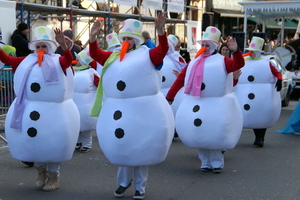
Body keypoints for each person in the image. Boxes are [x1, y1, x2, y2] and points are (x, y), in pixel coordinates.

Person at [89, 13, 174, 199]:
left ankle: (140, 187)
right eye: (124, 38)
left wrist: (160, 32)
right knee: (122, 148)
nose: (126, 41)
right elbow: (95, 54)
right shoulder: (113, 57)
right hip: (119, 110)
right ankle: (123, 183)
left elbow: (161, 51)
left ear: (136, 41)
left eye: (130, 38)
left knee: (141, 151)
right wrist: (93, 37)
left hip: (142, 112)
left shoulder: (146, 55)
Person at [0, 26, 80, 191]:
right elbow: (7, 60)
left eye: (44, 46)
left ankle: (53, 176)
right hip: (30, 109)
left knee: (53, 143)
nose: (41, 49)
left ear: (50, 47)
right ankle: (40, 173)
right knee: (37, 144)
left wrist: (64, 46)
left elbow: (67, 61)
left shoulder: (57, 60)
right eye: (38, 46)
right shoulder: (26, 61)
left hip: (53, 112)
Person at [166, 26, 245, 173]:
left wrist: (236, 51)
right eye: (203, 44)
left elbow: (238, 64)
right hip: (197, 101)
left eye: (207, 45)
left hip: (216, 103)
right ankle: (205, 162)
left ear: (214, 46)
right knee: (200, 134)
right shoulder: (193, 62)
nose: (204, 47)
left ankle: (216, 162)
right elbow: (181, 79)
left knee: (214, 133)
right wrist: (170, 96)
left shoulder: (223, 61)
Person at [234, 36, 282, 147]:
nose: (251, 53)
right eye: (250, 51)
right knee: (239, 115)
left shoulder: (267, 62)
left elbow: (277, 72)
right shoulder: (243, 61)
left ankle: (260, 137)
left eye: (254, 51)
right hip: (243, 93)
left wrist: (279, 79)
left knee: (260, 115)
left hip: (262, 95)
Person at [73, 48, 100, 153]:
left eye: (78, 60)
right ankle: (78, 142)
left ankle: (87, 143)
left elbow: (99, 85)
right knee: (77, 123)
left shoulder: (91, 72)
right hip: (75, 102)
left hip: (87, 103)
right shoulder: (73, 71)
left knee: (86, 125)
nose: (76, 61)